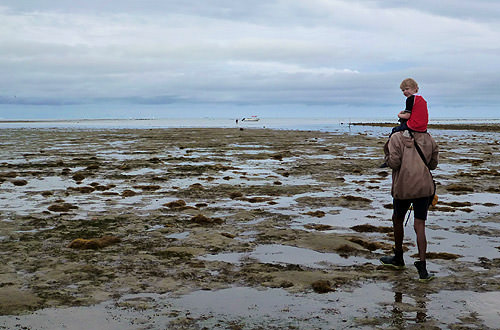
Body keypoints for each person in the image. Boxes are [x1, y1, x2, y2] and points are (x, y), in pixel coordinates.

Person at [379, 127, 438, 282]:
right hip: (424, 188)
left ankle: (398, 258)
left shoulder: (396, 137)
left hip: (403, 187)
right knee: (420, 225)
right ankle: (423, 269)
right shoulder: (428, 138)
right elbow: (433, 165)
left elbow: (394, 162)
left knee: (397, 219)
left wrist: (387, 154)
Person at [381, 78, 429, 168]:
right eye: (403, 90)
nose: (405, 91)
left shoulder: (410, 99)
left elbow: (407, 116)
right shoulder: (422, 100)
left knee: (394, 131)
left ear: (415, 89)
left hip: (413, 125)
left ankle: (389, 159)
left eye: (407, 89)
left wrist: (399, 115)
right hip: (423, 127)